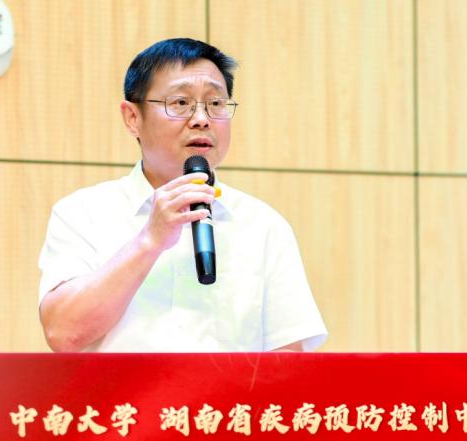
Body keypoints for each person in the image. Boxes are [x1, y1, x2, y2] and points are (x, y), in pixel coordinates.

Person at [38, 38, 326, 352]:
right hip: (119, 389)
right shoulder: (82, 213)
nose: (201, 119)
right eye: (180, 103)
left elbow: (287, 361)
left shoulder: (263, 225)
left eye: (215, 103)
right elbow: (63, 333)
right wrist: (150, 240)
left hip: (228, 390)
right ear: (133, 118)